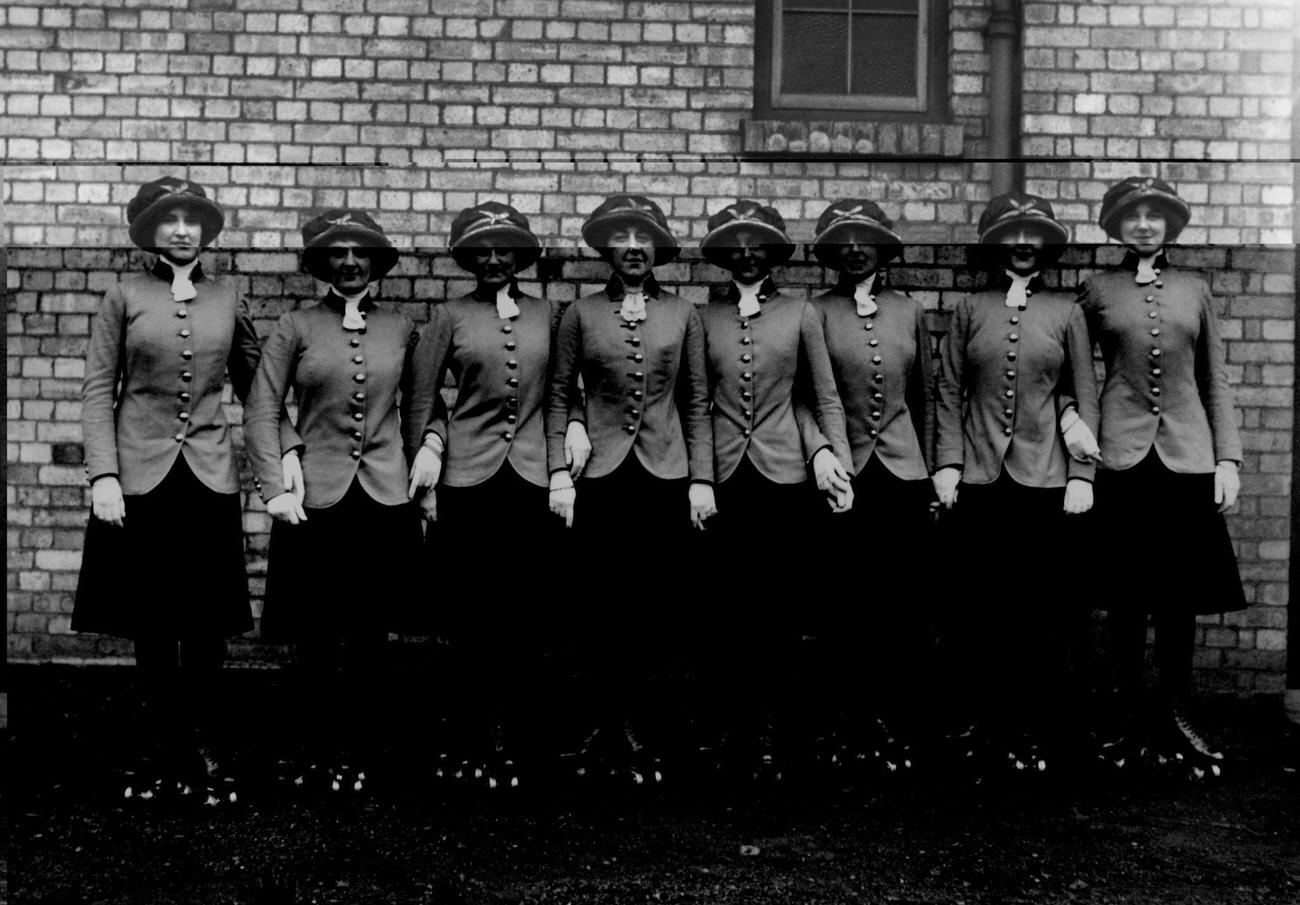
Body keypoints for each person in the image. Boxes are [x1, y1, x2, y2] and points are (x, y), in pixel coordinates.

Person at [74, 175, 291, 805]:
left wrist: (289, 453)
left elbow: (260, 389)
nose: (179, 229)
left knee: (203, 626)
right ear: (148, 230)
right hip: (140, 479)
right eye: (167, 219)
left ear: (205, 229)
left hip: (208, 475)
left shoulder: (229, 297)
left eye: (190, 219)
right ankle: (163, 752)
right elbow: (97, 390)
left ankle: (203, 751)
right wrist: (104, 474)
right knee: (152, 625)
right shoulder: (123, 296)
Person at [243, 208, 422, 794]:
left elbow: (425, 405)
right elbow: (262, 409)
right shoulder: (293, 326)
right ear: (321, 264)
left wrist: (435, 448)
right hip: (314, 497)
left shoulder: (401, 328)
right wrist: (274, 485)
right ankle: (318, 752)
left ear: (376, 263)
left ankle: (368, 751)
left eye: (360, 253)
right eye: (337, 254)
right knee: (316, 637)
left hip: (383, 495)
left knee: (371, 636)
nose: (349, 262)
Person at [546, 194, 715, 783]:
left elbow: (696, 401)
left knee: (655, 605)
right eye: (622, 238)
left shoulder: (684, 314)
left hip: (663, 477)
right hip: (601, 479)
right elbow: (559, 389)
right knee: (600, 604)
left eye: (644, 238)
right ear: (607, 250)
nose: (634, 248)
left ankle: (648, 721)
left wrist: (701, 478)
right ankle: (604, 722)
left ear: (658, 249)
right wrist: (562, 460)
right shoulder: (580, 314)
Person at [1081, 176, 1246, 779]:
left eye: (1155, 215)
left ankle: (1175, 713)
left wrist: (1227, 459)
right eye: (1132, 215)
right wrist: (1078, 434)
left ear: (1171, 226)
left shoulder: (1195, 290)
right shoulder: (1097, 290)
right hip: (1121, 457)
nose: (1144, 224)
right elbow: (1070, 369)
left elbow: (1215, 380)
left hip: (1186, 456)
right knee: (1126, 597)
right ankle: (1129, 716)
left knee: (1179, 598)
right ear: (1116, 226)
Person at [933, 190, 1101, 777]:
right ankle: (987, 729)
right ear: (997, 244)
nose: (1023, 244)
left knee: (1043, 615)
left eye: (1033, 234)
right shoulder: (971, 309)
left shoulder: (1066, 312)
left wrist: (1082, 474)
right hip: (982, 479)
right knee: (983, 613)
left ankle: (1038, 730)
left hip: (1045, 480)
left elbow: (1083, 393)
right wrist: (948, 465)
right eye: (1012, 234)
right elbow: (948, 391)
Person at [695, 199, 854, 782]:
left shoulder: (801, 313)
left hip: (784, 479)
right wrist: (699, 478)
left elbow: (822, 396)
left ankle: (786, 742)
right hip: (725, 481)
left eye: (756, 243)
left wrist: (833, 458)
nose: (746, 253)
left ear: (772, 253)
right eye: (735, 244)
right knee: (728, 616)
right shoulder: (701, 319)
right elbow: (694, 403)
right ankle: (734, 739)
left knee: (784, 617)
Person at [405, 201, 561, 790]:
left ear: (521, 256)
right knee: (470, 618)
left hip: (529, 481)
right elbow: (421, 399)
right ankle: (468, 740)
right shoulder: (448, 316)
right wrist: (426, 461)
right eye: (483, 251)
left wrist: (563, 450)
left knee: (524, 618)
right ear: (469, 259)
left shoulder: (549, 313)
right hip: (467, 482)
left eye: (505, 250)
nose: (495, 259)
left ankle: (519, 742)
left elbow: (559, 395)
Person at [805, 198, 936, 775]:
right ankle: (844, 721)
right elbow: (802, 398)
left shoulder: (909, 312)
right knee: (842, 604)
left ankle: (896, 723)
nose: (856, 249)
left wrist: (933, 477)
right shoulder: (814, 312)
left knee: (901, 606)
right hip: (842, 478)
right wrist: (823, 455)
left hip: (902, 477)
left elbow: (927, 400)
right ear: (833, 254)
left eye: (867, 239)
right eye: (844, 240)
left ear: (883, 250)